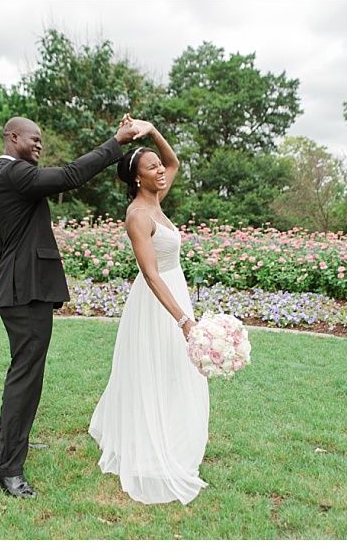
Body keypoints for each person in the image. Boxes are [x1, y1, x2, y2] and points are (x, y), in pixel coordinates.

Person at [0, 115, 150, 498]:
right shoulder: (13, 173)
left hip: (22, 287)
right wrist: (116, 142)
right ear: (12, 138)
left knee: (22, 369)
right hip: (26, 291)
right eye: (33, 138)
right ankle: (7, 467)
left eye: (41, 140)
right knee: (27, 374)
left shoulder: (10, 176)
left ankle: (3, 441)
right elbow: (71, 176)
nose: (39, 145)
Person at [88, 123, 210, 505]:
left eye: (159, 167)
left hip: (176, 291)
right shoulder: (138, 215)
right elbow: (151, 274)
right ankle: (152, 442)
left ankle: (173, 430)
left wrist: (152, 130)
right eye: (151, 167)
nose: (161, 170)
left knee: (175, 368)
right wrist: (184, 321)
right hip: (158, 300)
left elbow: (174, 161)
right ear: (137, 178)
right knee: (155, 367)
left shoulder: (158, 198)